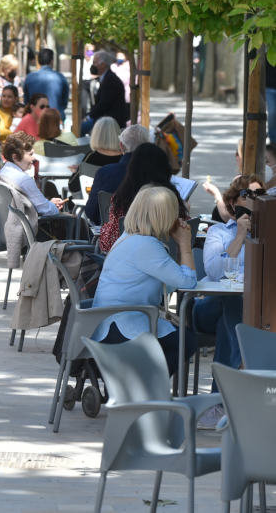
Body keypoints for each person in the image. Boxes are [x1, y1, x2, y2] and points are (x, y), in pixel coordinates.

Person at [91, 185, 197, 376]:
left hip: (111, 322)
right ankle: (145, 389)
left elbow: (171, 283)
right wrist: (185, 245)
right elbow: (187, 283)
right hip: (124, 326)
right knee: (186, 342)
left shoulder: (129, 237)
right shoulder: (147, 245)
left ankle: (141, 387)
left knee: (181, 340)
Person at [192, 174, 265, 428]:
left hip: (248, 310)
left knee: (231, 319)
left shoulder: (269, 236)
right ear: (233, 204)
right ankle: (235, 397)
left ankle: (221, 403)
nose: (254, 204)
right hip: (207, 307)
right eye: (248, 197)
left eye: (259, 197)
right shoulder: (218, 232)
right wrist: (241, 235)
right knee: (230, 306)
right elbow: (213, 270)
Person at [98, 142, 187, 253]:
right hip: (171, 259)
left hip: (129, 263)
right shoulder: (171, 198)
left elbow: (109, 243)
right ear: (164, 168)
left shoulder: (122, 198)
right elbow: (186, 235)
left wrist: (104, 229)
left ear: (132, 168)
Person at [84, 121, 151, 224]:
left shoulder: (105, 173)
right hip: (149, 234)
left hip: (113, 236)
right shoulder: (157, 174)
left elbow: (91, 212)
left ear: (121, 146)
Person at [0, 132, 64, 217]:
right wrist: (53, 207)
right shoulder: (23, 180)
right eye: (30, 154)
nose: (34, 158)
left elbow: (41, 206)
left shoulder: (1, 172)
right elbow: (48, 211)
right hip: (25, 226)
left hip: (9, 224)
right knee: (78, 223)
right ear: (15, 157)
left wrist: (49, 204)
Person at [81, 50, 129, 134]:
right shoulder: (107, 77)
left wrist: (89, 116)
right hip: (105, 119)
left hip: (110, 122)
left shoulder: (110, 80)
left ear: (103, 65)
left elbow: (103, 104)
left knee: (80, 129)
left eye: (95, 62)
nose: (93, 65)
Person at [22, 48, 70, 119]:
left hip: (35, 118)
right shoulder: (60, 78)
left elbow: (26, 101)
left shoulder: (29, 78)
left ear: (38, 61)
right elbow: (64, 102)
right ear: (52, 61)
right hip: (55, 118)